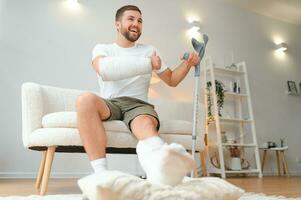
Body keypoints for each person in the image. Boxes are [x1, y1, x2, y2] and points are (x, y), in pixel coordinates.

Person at [76, 5, 200, 186]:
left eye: (140, 21)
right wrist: (147, 64)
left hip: (138, 105)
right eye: (131, 19)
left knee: (145, 125)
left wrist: (188, 63)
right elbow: (104, 70)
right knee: (84, 100)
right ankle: (102, 175)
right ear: (117, 24)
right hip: (110, 103)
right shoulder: (103, 48)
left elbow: (172, 79)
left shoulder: (149, 50)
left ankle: (165, 168)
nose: (136, 24)